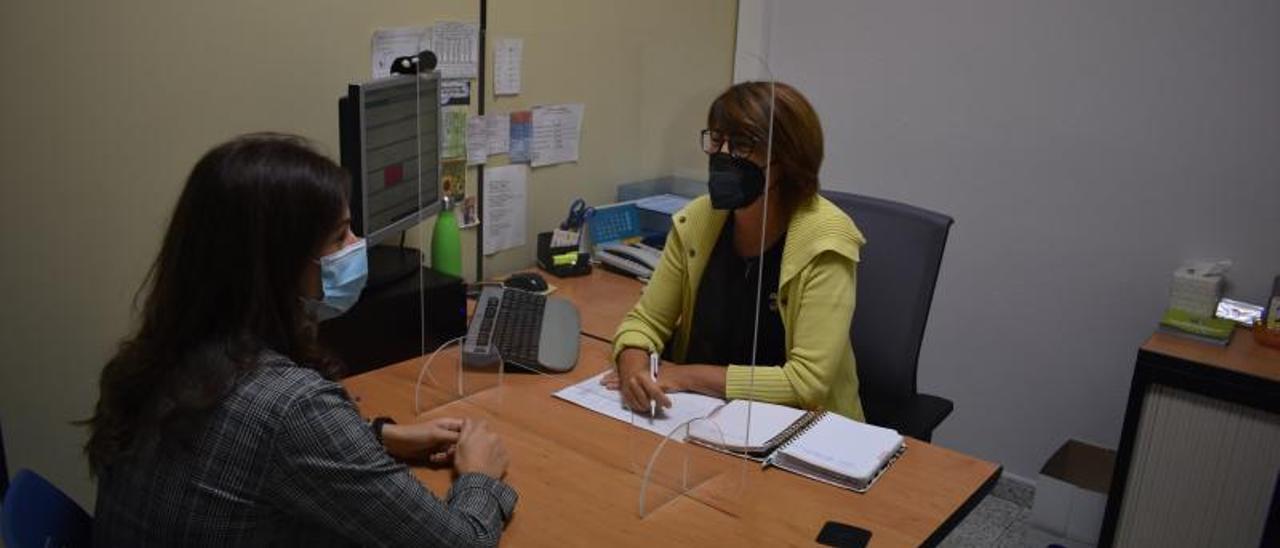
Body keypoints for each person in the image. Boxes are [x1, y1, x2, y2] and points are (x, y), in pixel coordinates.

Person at [85, 133, 516, 547]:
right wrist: (478, 474)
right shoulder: (291, 407)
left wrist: (382, 435)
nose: (358, 245)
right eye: (338, 236)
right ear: (275, 264)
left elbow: (244, 450)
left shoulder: (157, 360)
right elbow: (461, 542)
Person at [605, 82, 867, 421]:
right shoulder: (698, 220)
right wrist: (634, 371)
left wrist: (682, 376)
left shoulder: (826, 241)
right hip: (700, 415)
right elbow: (645, 322)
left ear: (787, 159)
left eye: (742, 145)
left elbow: (806, 383)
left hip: (802, 432)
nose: (723, 155)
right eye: (716, 140)